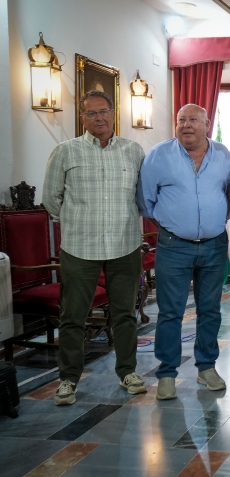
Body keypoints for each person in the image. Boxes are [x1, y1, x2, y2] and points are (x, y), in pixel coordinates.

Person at [42, 90, 147, 406]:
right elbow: (51, 199)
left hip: (125, 245)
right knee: (73, 316)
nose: (98, 118)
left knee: (125, 314)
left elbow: (141, 196)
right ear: (82, 117)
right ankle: (68, 380)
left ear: (113, 113)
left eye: (103, 112)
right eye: (91, 113)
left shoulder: (133, 151)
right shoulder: (65, 151)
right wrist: (78, 222)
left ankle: (127, 372)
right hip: (80, 247)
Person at [136, 104, 230, 400]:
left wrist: (211, 221)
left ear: (206, 124)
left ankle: (206, 368)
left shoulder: (224, 156)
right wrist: (175, 224)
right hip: (173, 245)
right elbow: (145, 200)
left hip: (215, 245)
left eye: (193, 120)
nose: (186, 125)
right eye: (181, 120)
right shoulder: (158, 156)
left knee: (210, 310)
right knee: (170, 312)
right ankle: (166, 373)